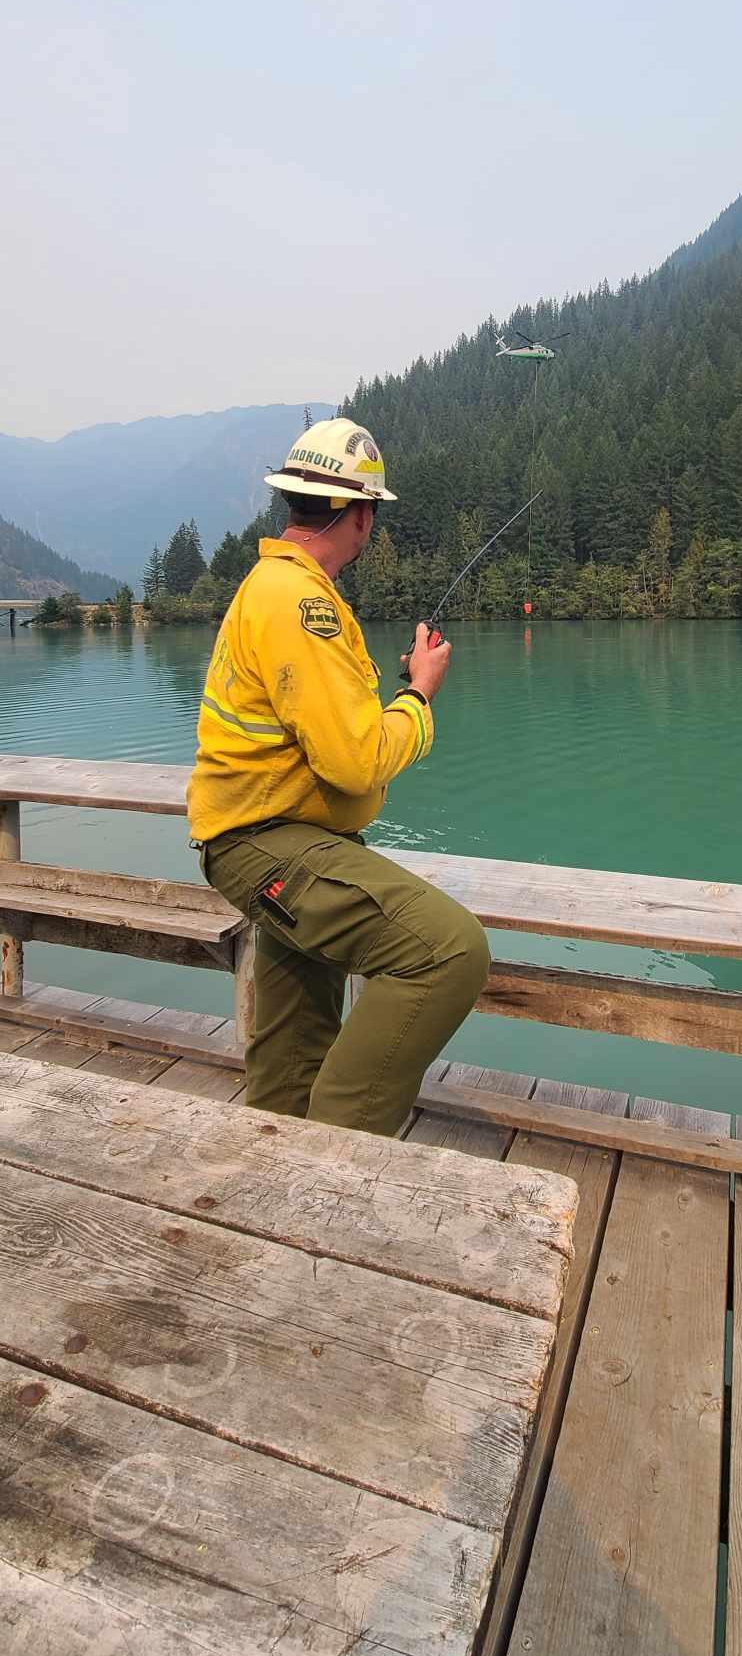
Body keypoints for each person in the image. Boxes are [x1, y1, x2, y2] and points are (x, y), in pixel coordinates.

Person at [187, 416, 490, 1135]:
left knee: (294, 1050)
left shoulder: (272, 587)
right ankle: (344, 1151)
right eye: (371, 515)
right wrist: (417, 697)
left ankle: (277, 1171)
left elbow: (325, 733)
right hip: (274, 844)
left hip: (272, 842)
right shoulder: (303, 603)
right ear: (359, 515)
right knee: (449, 951)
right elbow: (354, 759)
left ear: (294, 501)